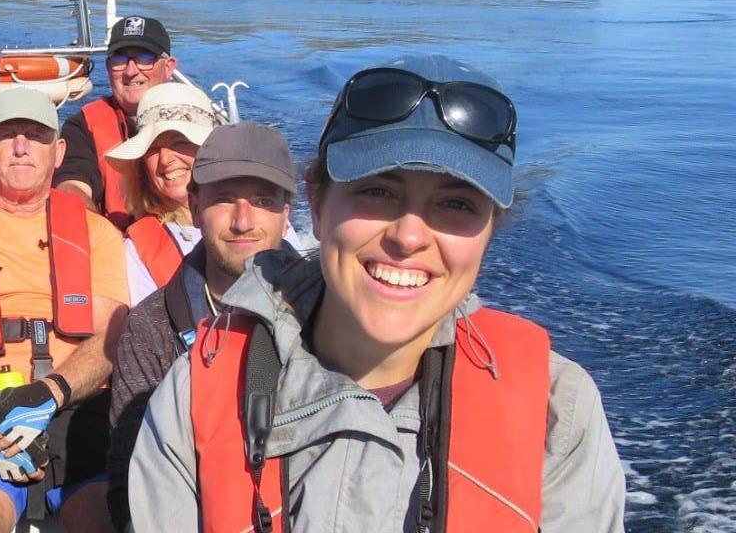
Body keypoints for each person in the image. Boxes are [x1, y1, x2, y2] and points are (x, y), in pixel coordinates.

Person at [128, 56, 626, 532]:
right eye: (378, 192)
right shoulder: (198, 392)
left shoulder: (555, 411)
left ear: (489, 231)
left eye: (455, 203)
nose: (409, 237)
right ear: (318, 207)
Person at [0, 87, 130, 533]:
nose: (20, 147)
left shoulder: (100, 235)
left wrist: (51, 392)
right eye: (6, 135)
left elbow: (112, 337)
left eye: (34, 136)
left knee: (103, 520)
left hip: (78, 411)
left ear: (58, 153)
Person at [107, 120, 298, 533]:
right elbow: (130, 485)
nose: (243, 221)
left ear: (287, 215)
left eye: (263, 201)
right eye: (224, 200)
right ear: (194, 207)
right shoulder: (150, 329)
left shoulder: (332, 315)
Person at [56, 15, 177, 230]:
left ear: (168, 67)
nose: (131, 71)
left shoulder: (195, 122)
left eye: (144, 58)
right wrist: (106, 239)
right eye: (120, 60)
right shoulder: (83, 125)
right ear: (107, 67)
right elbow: (71, 186)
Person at [103, 82, 219, 304]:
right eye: (153, 149)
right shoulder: (136, 253)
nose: (165, 160)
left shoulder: (257, 217)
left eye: (179, 142)